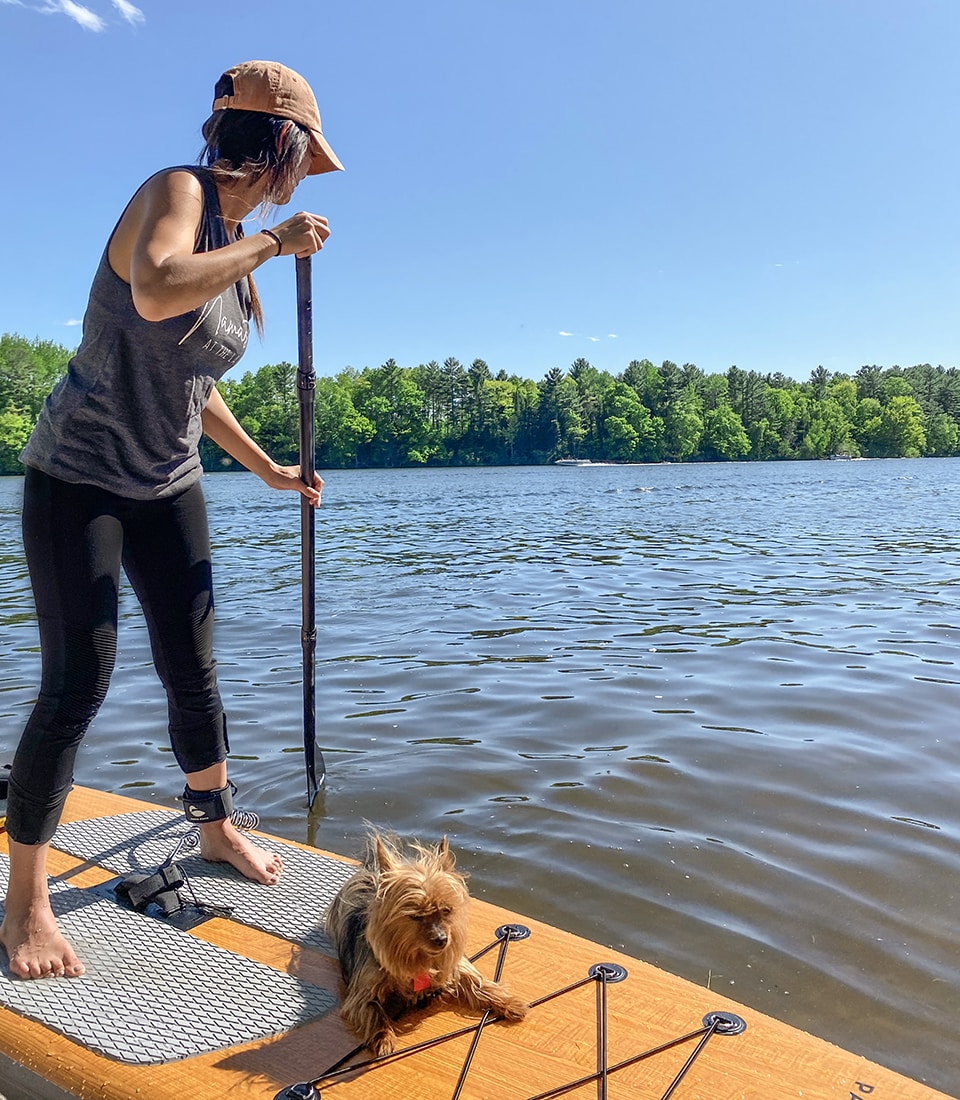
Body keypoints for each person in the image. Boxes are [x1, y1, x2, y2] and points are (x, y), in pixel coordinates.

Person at [0, 61, 342, 980]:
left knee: (195, 665)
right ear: (280, 144)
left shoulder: (231, 236)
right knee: (81, 681)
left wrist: (267, 467)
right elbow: (156, 289)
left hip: (167, 479)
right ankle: (24, 900)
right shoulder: (175, 193)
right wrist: (275, 245)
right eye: (301, 159)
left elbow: (194, 385)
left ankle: (216, 825)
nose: (298, 181)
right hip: (77, 479)